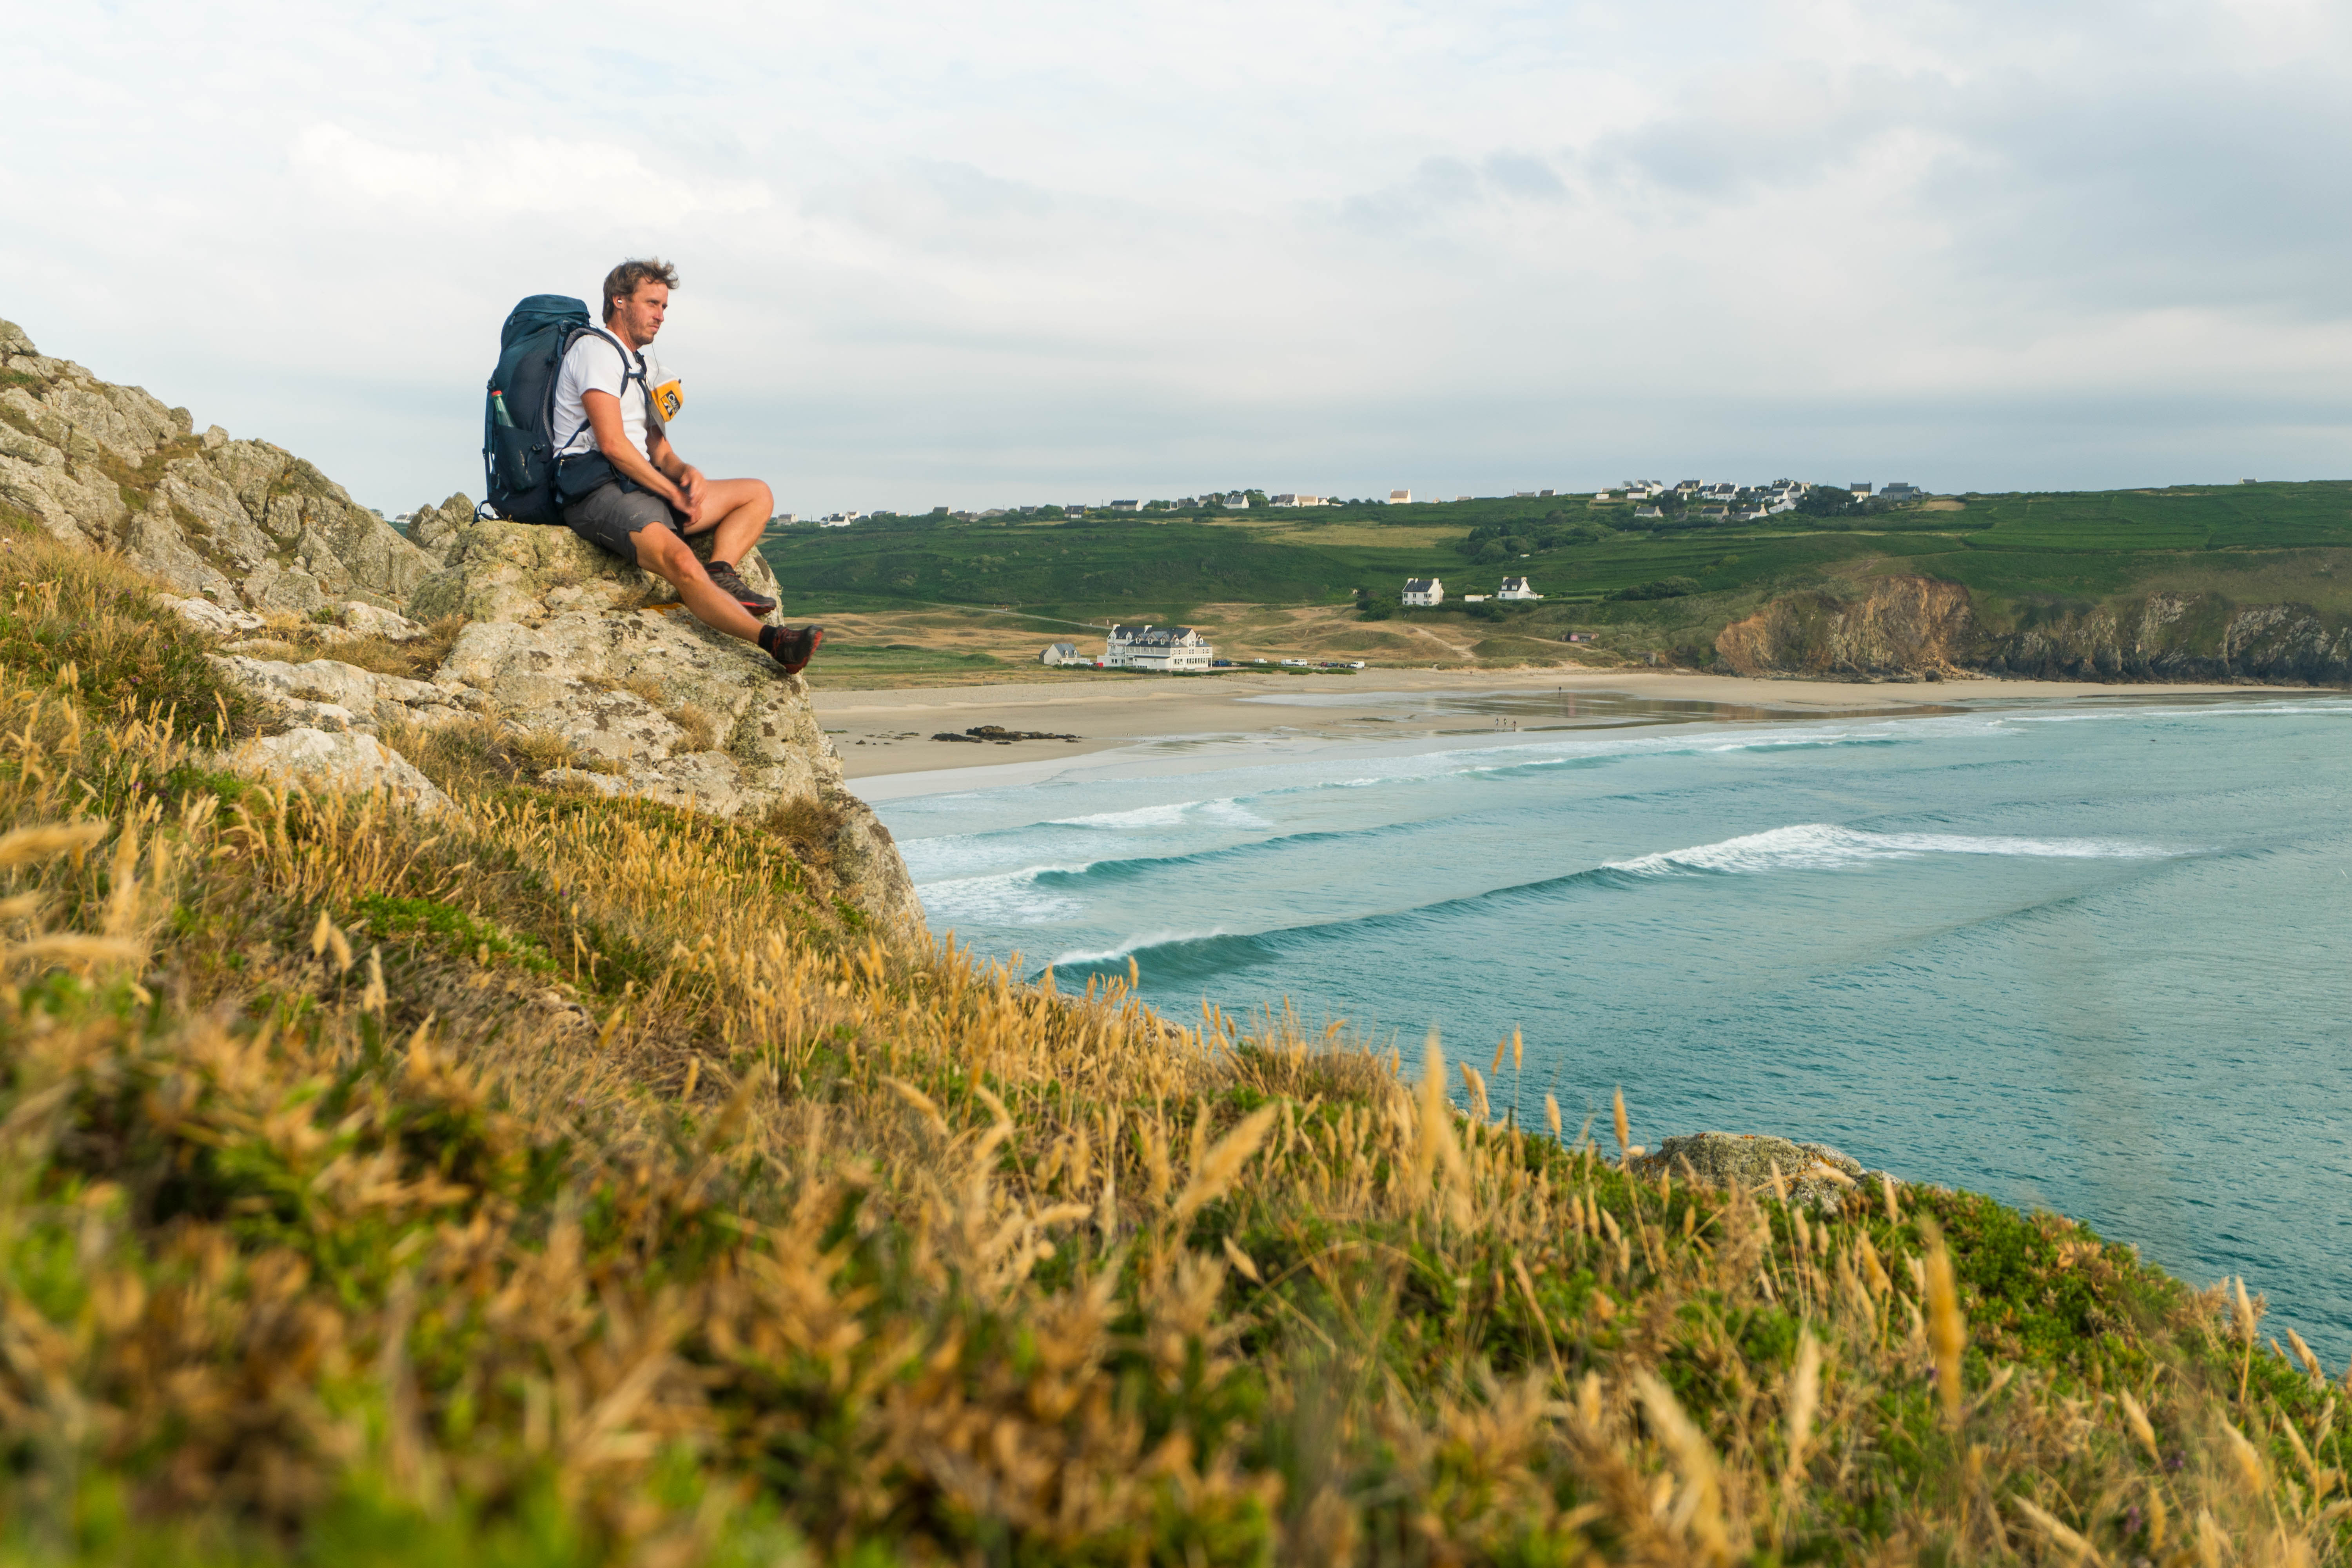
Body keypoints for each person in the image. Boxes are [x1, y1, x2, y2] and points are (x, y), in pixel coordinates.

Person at [552, 257, 820, 673]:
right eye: (652, 304)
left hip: (638, 485)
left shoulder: (639, 366)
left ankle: (720, 570)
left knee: (756, 494)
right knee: (680, 562)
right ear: (619, 301)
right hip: (596, 491)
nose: (660, 316)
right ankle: (775, 643)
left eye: (664, 307)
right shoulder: (595, 351)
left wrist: (683, 473)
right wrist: (669, 492)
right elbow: (613, 445)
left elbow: (658, 451)